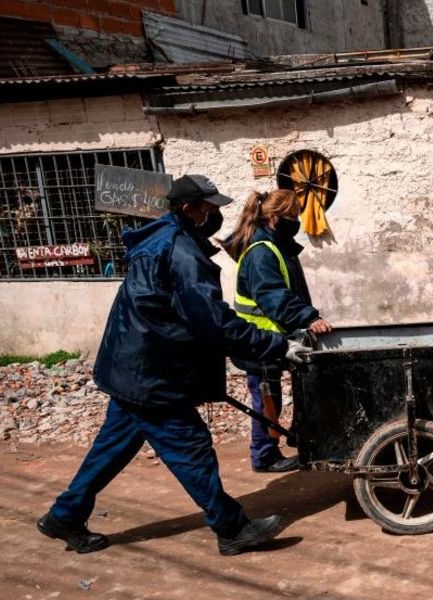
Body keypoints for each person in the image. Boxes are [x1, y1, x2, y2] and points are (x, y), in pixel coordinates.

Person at [37, 175, 312, 556]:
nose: (216, 215)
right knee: (191, 447)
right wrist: (276, 345)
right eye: (210, 208)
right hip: (153, 373)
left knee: (112, 448)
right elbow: (213, 321)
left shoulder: (165, 238)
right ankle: (231, 527)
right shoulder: (181, 253)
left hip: (131, 366)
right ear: (190, 210)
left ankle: (64, 516)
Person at [220, 190, 332, 473]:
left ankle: (292, 440)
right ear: (273, 217)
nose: (296, 222)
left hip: (272, 338)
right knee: (267, 399)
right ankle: (264, 455)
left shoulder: (276, 244)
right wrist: (308, 318)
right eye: (291, 216)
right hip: (259, 340)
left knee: (276, 395)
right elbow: (273, 296)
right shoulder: (261, 252)